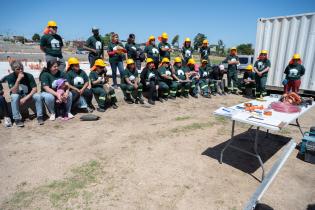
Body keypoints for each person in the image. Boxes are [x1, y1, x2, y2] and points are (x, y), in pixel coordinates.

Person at [2, 60, 44, 127]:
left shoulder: (29, 76)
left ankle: (40, 116)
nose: (21, 70)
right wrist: (18, 80)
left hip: (28, 96)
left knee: (38, 96)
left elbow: (35, 89)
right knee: (14, 96)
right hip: (17, 96)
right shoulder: (10, 77)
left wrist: (25, 98)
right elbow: (13, 91)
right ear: (13, 70)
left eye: (22, 68)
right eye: (18, 69)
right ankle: (17, 119)